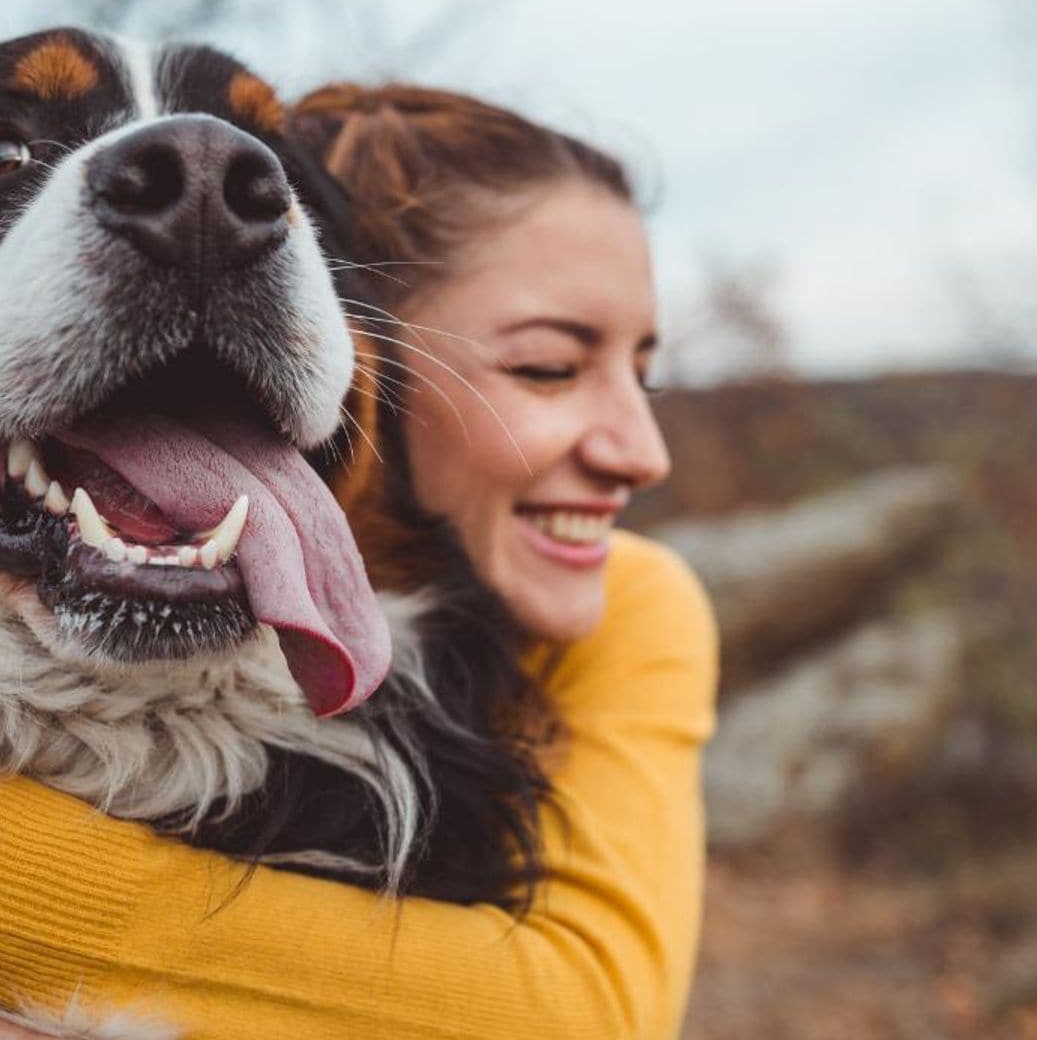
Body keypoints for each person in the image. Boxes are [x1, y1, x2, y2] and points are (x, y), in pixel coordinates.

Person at [0, 85, 718, 1039]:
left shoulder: (635, 595)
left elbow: (584, 1009)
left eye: (644, 371)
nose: (646, 453)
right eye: (548, 367)